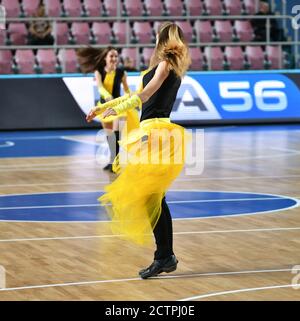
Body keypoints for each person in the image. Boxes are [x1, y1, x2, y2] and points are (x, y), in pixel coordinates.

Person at [86, 22, 191, 279]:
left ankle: (165, 255)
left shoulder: (166, 66)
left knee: (151, 197)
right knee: (153, 198)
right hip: (155, 133)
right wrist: (103, 108)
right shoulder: (166, 66)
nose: (154, 39)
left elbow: (143, 96)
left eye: (157, 36)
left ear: (163, 40)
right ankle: (165, 255)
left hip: (156, 133)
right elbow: (136, 95)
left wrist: (116, 111)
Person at [77, 46, 132, 172]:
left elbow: (127, 89)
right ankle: (112, 160)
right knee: (110, 136)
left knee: (117, 133)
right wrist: (107, 96)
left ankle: (115, 162)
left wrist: (131, 99)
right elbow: (100, 87)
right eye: (111, 56)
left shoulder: (122, 72)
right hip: (103, 107)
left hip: (118, 107)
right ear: (105, 58)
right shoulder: (99, 71)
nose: (114, 58)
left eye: (116, 56)